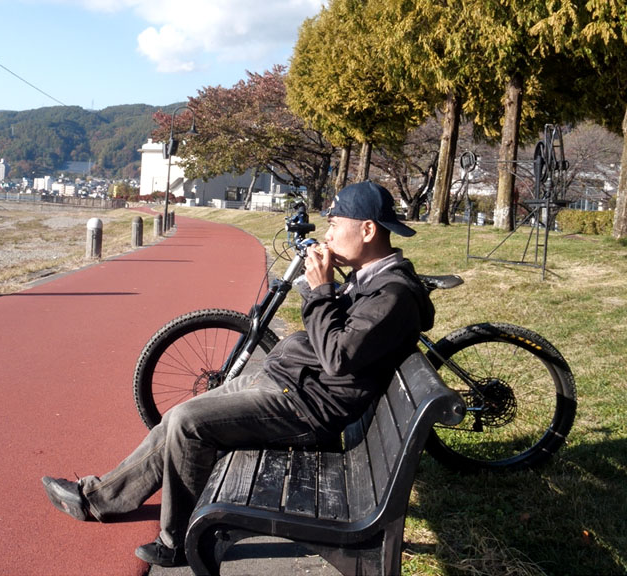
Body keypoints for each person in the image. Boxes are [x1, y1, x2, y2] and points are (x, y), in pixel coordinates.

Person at [41, 181, 435, 567]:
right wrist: (320, 293)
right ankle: (97, 498)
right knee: (178, 417)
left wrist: (320, 290)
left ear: (367, 230)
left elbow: (336, 357)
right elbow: (335, 341)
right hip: (288, 384)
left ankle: (180, 542)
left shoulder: (392, 294)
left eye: (334, 225)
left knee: (189, 423)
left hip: (304, 408)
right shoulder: (369, 279)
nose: (328, 235)